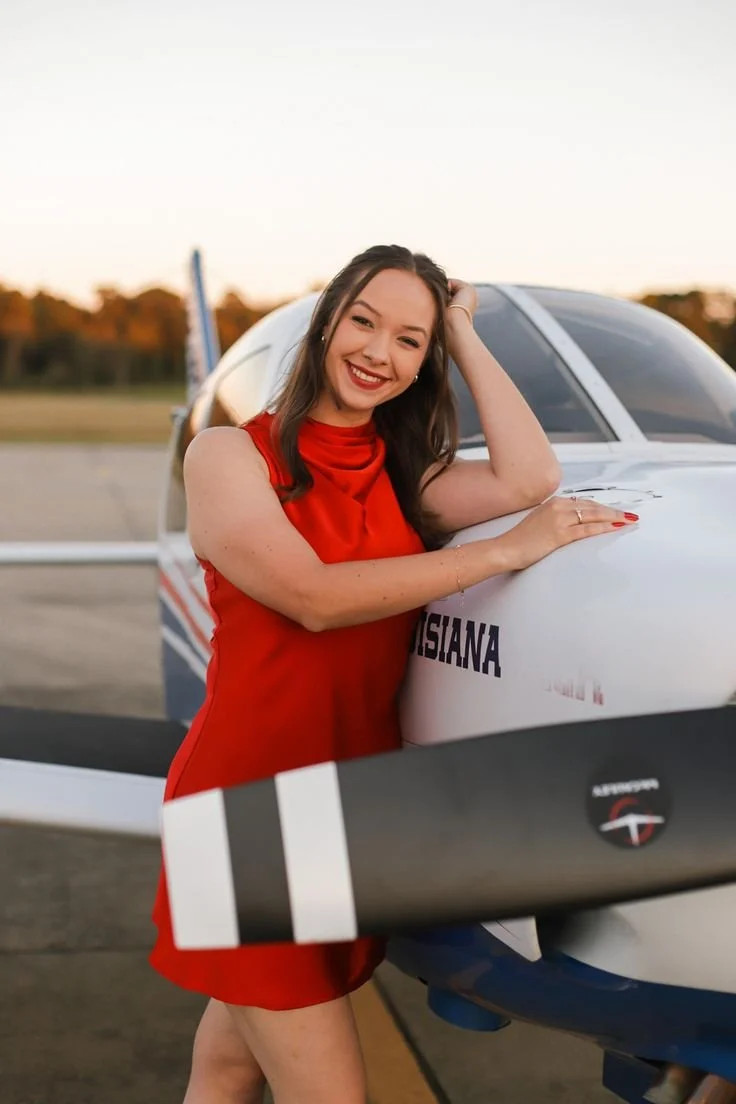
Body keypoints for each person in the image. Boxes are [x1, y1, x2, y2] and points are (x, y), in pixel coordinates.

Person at [150, 243, 638, 1104]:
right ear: (326, 320)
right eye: (364, 321)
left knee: (228, 1066)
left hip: (346, 811)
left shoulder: (403, 474)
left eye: (410, 341)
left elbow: (534, 476)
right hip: (249, 813)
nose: (380, 352)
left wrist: (462, 330)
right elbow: (313, 598)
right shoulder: (230, 456)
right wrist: (506, 550)